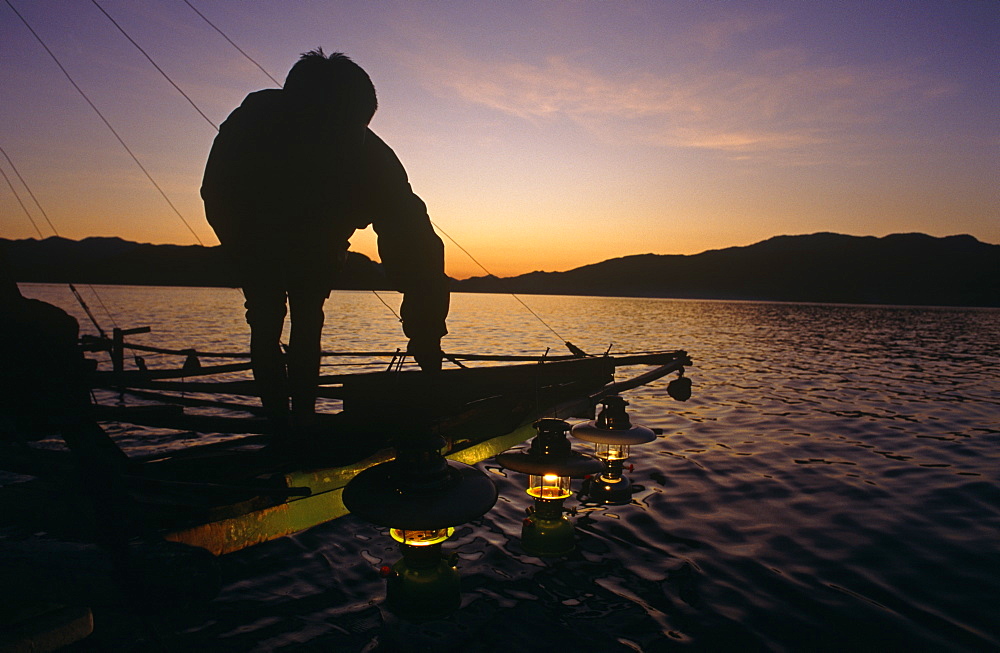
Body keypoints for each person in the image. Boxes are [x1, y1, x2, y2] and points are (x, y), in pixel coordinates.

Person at [201, 49, 449, 436]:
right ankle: (279, 426)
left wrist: (426, 331)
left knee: (307, 316)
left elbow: (416, 244)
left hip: (319, 241)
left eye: (353, 129)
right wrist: (245, 250)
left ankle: (301, 419)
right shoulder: (251, 125)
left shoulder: (375, 159)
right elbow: (217, 193)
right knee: (265, 316)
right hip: (253, 232)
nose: (342, 138)